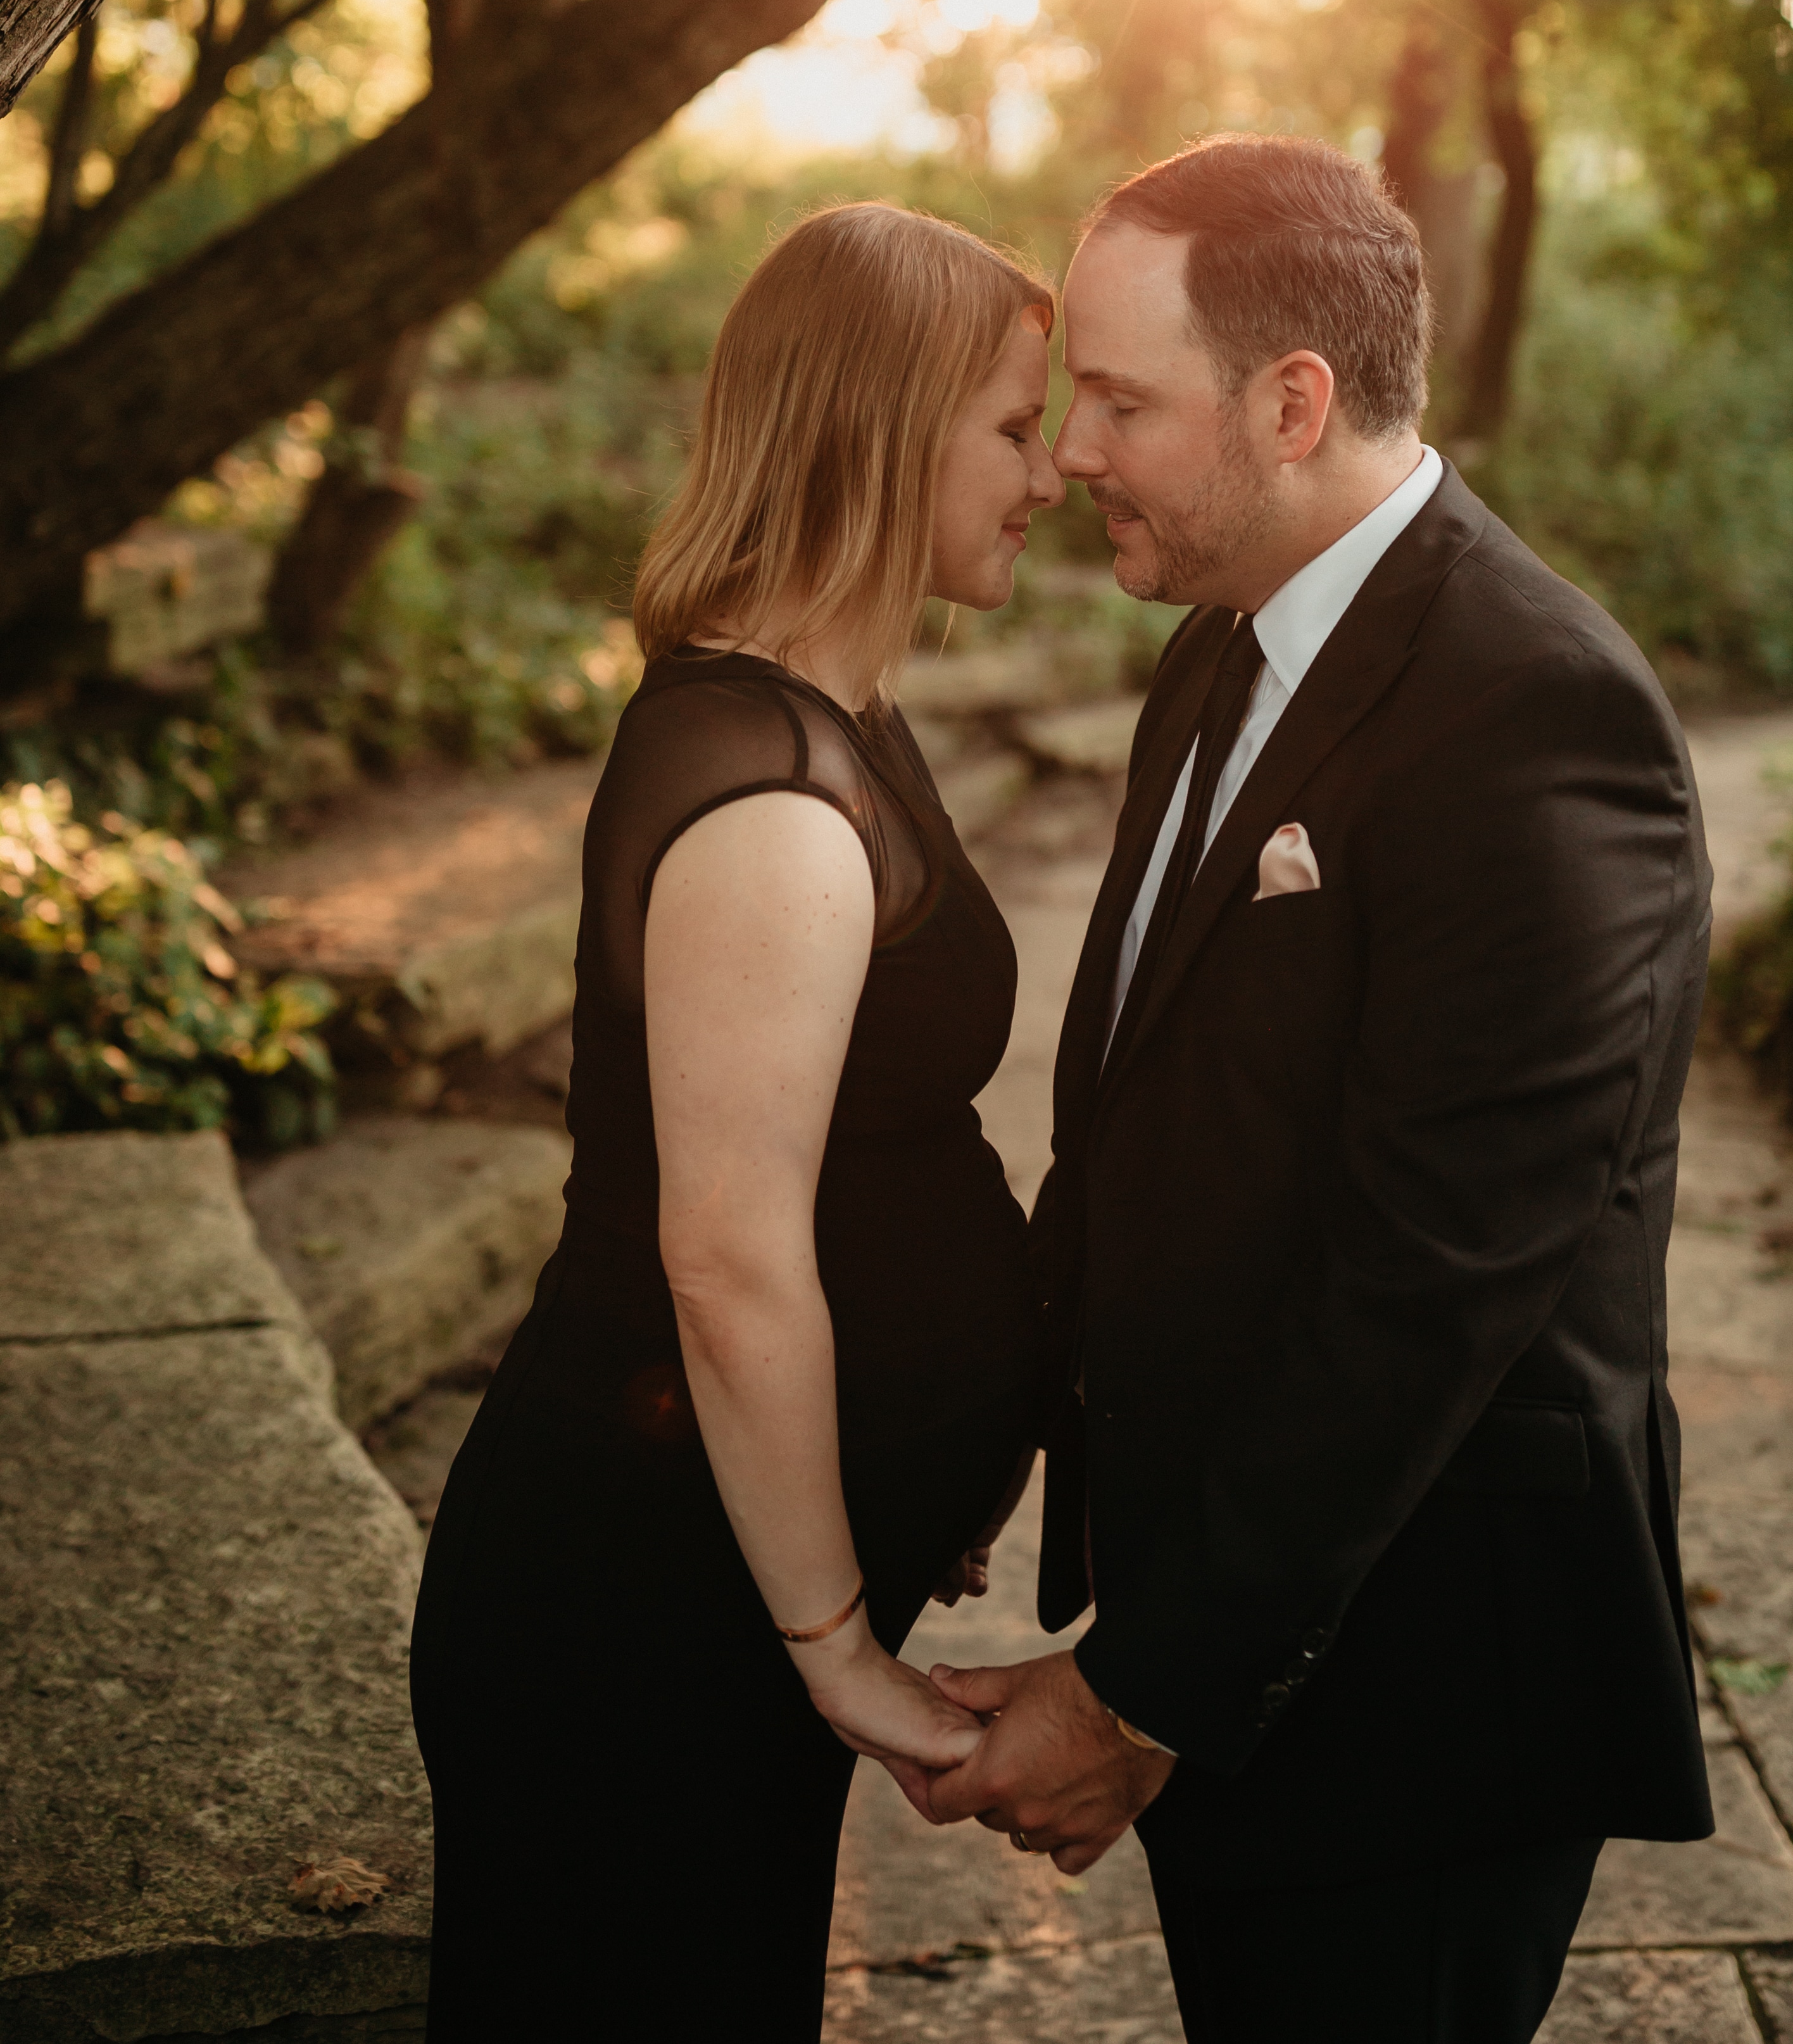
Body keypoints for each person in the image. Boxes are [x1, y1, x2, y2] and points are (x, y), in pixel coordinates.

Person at [912, 136, 1714, 2044]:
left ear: (1293, 402)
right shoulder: (1214, 645)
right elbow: (1137, 1134)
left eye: (1117, 398)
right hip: (1240, 1619)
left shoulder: (1533, 712)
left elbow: (1429, 1279)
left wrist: (1139, 1697)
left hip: (1423, 1672)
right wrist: (949, 1456)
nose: (1068, 449)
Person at [409, 202, 1064, 2041]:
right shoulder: (770, 803)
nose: (1052, 475)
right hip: (636, 1623)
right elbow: (725, 1258)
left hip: (705, 1595)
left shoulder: (834, 720)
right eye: (1015, 428)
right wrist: (836, 1650)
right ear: (881, 424)